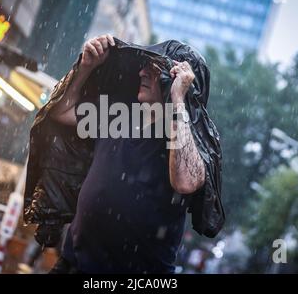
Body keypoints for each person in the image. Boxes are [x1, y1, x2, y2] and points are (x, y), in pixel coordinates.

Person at [47, 35, 206, 273]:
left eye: (153, 69)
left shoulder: (185, 137)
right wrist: (86, 67)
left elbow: (185, 181)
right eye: (144, 65)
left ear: (172, 80)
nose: (142, 72)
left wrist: (178, 99)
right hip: (74, 264)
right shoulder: (117, 114)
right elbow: (61, 111)